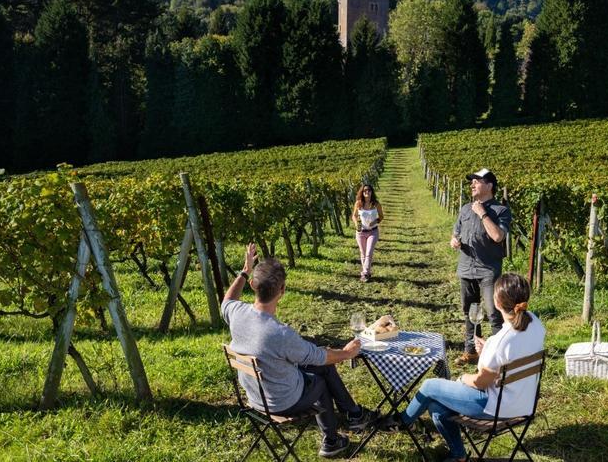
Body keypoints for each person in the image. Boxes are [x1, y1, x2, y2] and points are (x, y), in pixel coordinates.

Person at [222, 244, 378, 457]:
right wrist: (347, 353)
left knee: (319, 365)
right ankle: (332, 440)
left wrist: (244, 270)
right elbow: (320, 356)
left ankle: (354, 414)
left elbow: (227, 301)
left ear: (252, 285)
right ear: (283, 290)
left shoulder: (237, 313)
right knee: (321, 378)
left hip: (255, 396)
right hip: (281, 401)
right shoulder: (280, 334)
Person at [387, 274, 545, 462]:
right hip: (524, 403)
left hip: (495, 409)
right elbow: (514, 354)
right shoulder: (535, 323)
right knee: (437, 405)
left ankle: (400, 422)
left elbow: (480, 382)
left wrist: (462, 378)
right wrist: (487, 349)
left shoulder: (500, 341)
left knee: (430, 386)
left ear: (497, 302)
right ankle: (458, 456)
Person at [450, 168, 512, 366]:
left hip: (488, 269)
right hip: (466, 267)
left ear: (489, 185)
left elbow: (498, 237)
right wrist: (454, 240)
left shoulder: (501, 210)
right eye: (472, 182)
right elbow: (456, 232)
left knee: (494, 312)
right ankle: (471, 351)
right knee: (470, 311)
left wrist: (483, 213)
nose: (472, 185)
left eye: (477, 181)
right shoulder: (466, 208)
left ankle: (498, 356)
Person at [352, 183, 384, 282]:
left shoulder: (376, 204)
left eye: (369, 190)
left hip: (373, 232)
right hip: (361, 232)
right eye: (365, 190)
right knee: (363, 252)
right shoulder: (358, 203)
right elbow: (354, 216)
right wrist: (356, 224)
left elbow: (381, 216)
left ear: (371, 192)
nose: (367, 192)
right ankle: (367, 272)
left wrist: (375, 221)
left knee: (369, 252)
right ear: (362, 192)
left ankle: (364, 273)